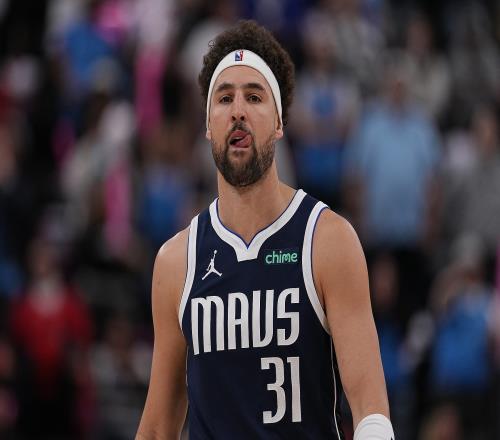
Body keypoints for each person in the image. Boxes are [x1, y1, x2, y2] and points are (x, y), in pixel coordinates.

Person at [136, 20, 393, 440]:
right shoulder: (177, 261)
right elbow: (157, 427)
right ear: (208, 125)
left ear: (278, 122)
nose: (237, 110)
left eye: (254, 96)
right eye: (224, 98)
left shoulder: (326, 240)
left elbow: (371, 410)